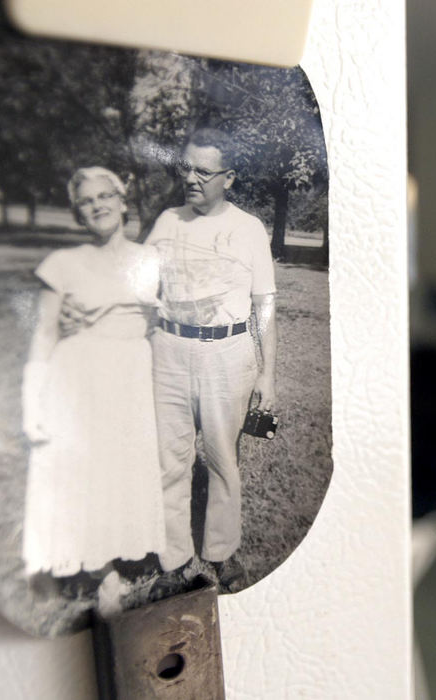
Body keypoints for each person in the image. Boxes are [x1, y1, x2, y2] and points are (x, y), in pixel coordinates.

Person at [21, 167, 165, 615]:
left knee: (120, 467)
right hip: (80, 375)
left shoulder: (151, 259)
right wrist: (32, 402)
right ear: (78, 213)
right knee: (83, 470)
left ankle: (118, 553)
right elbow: (44, 333)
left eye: (106, 196)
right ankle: (99, 574)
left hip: (131, 374)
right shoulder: (63, 264)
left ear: (124, 202)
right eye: (87, 201)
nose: (98, 205)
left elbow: (159, 320)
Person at [147, 128, 277, 593]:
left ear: (230, 178)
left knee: (223, 460)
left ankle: (221, 554)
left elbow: (264, 305)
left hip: (227, 354)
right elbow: (142, 291)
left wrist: (268, 374)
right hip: (169, 350)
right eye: (186, 168)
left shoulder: (248, 229)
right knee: (170, 462)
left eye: (204, 170)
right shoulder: (166, 222)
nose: (192, 178)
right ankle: (173, 561)